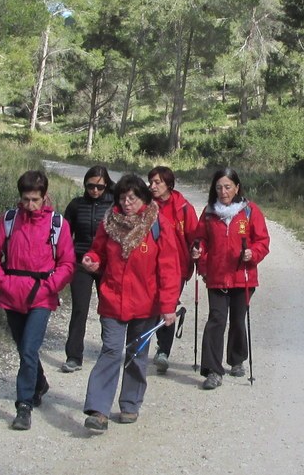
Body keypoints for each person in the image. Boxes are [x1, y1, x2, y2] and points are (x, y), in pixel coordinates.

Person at [80, 173, 181, 432]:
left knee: (136, 355)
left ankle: (130, 404)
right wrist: (92, 260)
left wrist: (168, 306)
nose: (126, 203)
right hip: (113, 300)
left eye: (132, 198)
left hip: (146, 304)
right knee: (112, 351)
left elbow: (169, 268)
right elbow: (98, 251)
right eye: (122, 198)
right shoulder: (108, 224)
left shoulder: (158, 225)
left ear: (144, 199)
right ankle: (98, 410)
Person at [0, 170, 75, 431]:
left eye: (35, 200)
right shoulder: (10, 220)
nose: (30, 205)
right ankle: (39, 383)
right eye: (26, 200)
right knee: (24, 348)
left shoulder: (57, 225)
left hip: (41, 297)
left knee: (28, 348)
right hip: (11, 293)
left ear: (44, 197)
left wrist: (49, 287)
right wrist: (1, 281)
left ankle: (23, 406)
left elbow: (67, 263)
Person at [191, 167, 270, 390]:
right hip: (216, 276)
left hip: (242, 276)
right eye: (218, 187)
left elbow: (262, 241)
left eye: (227, 187)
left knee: (237, 320)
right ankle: (213, 371)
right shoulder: (209, 212)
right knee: (216, 320)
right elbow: (200, 240)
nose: (223, 191)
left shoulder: (249, 211)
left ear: (237, 187)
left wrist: (252, 254)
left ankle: (236, 359)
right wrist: (199, 254)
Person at [60, 165, 115, 372]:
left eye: (100, 187)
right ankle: (74, 356)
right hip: (80, 262)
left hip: (106, 264)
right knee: (80, 309)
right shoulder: (76, 205)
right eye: (91, 186)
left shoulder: (114, 206)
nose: (95, 191)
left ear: (106, 186)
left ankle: (109, 350)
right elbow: (65, 235)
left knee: (108, 308)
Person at [147, 165, 197, 375]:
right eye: (151, 182)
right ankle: (141, 346)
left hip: (176, 267)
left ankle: (163, 351)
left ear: (169, 184)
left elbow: (195, 236)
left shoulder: (184, 208)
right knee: (150, 305)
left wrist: (197, 253)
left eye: (157, 182)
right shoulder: (146, 206)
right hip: (149, 264)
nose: (153, 186)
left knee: (167, 304)